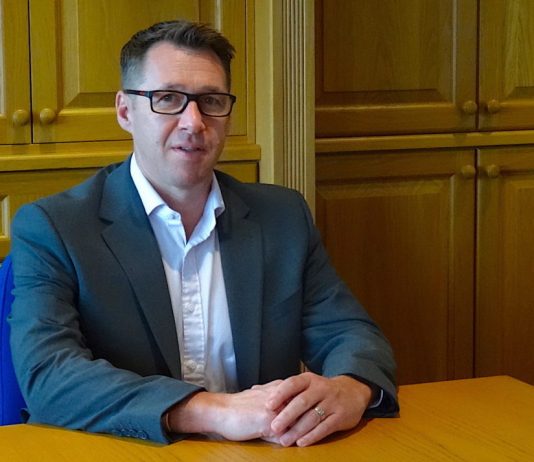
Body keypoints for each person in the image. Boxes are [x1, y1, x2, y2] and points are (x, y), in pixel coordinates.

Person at [9, 20, 398, 447]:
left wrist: (350, 387)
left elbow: (350, 333)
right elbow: (49, 376)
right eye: (168, 99)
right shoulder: (55, 227)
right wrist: (213, 410)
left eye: (211, 101)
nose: (193, 122)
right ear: (125, 111)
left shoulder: (282, 217)